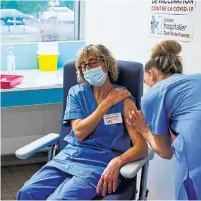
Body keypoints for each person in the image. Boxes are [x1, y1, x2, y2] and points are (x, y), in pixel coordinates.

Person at [17, 44, 148, 200]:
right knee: (27, 193)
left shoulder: (125, 101)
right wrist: (107, 103)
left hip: (100, 164)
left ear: (106, 63)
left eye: (92, 62)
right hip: (69, 157)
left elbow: (141, 148)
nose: (88, 68)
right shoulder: (77, 93)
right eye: (83, 66)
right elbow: (79, 133)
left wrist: (117, 161)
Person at [127, 40, 201, 200]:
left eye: (147, 83)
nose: (148, 87)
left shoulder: (154, 94)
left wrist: (143, 129)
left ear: (151, 74)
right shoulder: (195, 80)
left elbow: (165, 152)